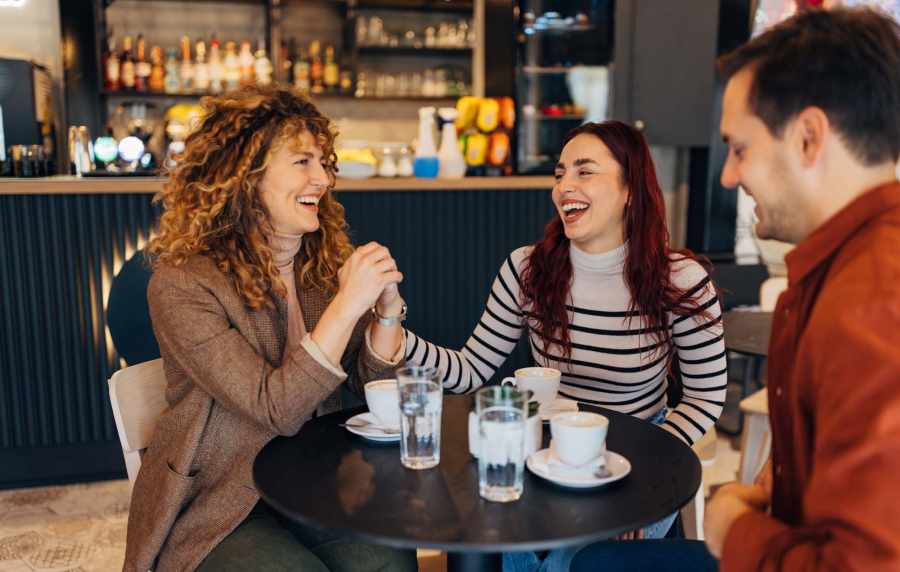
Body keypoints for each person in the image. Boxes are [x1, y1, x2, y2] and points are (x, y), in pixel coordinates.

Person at [403, 120, 728, 570]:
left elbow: (705, 396)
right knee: (521, 549)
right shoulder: (526, 270)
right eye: (559, 174)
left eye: (584, 171)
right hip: (548, 453)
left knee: (569, 560)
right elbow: (471, 368)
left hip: (640, 452)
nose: (564, 187)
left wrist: (644, 472)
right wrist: (390, 331)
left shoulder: (681, 281)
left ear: (631, 188)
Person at [123, 85, 416, 572]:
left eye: (323, 162)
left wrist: (385, 314)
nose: (322, 178)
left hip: (316, 480)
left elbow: (376, 398)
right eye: (302, 161)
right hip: (221, 500)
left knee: (388, 560)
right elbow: (274, 407)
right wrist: (348, 306)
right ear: (244, 175)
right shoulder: (182, 284)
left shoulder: (320, 265)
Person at [704, 7, 900, 570]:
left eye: (739, 149)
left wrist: (732, 530)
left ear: (810, 138)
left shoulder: (872, 299)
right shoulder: (842, 272)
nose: (728, 176)